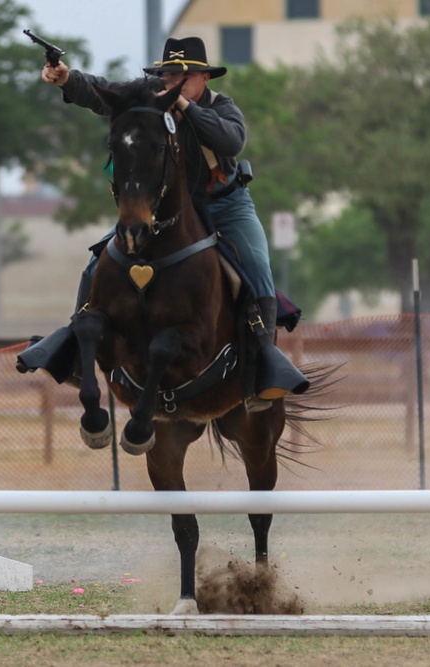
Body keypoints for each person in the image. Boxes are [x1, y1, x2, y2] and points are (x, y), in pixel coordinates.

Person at [17, 36, 308, 410]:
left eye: (182, 75)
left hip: (225, 204)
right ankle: (75, 354)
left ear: (203, 77)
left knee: (257, 266)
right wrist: (66, 78)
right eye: (168, 73)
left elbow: (231, 142)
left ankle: (262, 368)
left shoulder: (224, 107)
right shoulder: (150, 97)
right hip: (166, 208)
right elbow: (103, 93)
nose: (172, 80)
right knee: (98, 262)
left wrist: (183, 105)